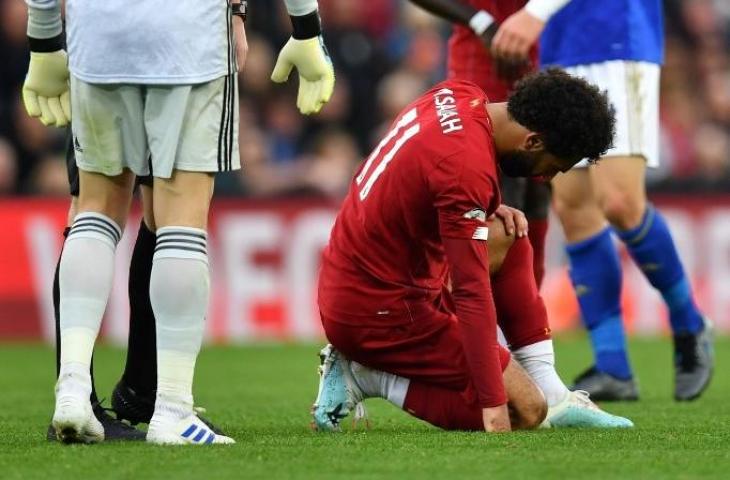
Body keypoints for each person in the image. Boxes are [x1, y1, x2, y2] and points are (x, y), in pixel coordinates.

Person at [23, 0, 334, 445]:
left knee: (95, 208)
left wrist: (43, 37)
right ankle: (171, 408)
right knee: (180, 217)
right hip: (187, 35)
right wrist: (306, 26)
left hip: (98, 36)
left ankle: (72, 389)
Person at [311, 70, 632, 433]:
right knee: (525, 411)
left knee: (509, 231)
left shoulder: (460, 95)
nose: (544, 178)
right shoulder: (464, 167)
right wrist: (493, 403)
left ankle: (553, 390)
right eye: (552, 167)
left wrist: (489, 205)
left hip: (372, 279)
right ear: (532, 142)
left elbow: (427, 174)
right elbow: (470, 292)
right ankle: (366, 375)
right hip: (377, 311)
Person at [491, 0, 713, 401]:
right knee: (574, 208)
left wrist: (536, 12)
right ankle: (613, 365)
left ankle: (689, 321)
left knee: (619, 202)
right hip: (560, 42)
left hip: (615, 34)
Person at [408, 0, 551, 287]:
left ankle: (524, 320)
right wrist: (479, 21)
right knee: (492, 202)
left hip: (549, 58)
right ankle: (474, 316)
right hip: (481, 66)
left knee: (537, 194)